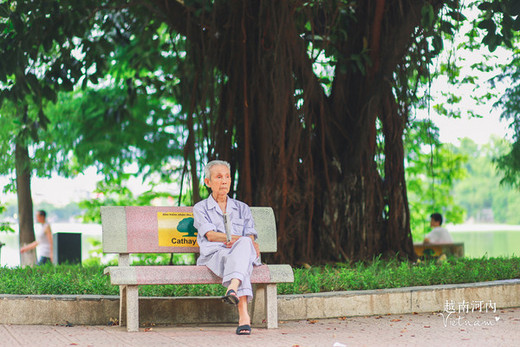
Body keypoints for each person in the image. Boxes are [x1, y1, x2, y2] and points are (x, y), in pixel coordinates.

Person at [193, 160, 261, 335]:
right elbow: (210, 235)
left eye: (227, 176)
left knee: (243, 249)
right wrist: (239, 240)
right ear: (208, 182)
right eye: (218, 177)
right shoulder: (201, 208)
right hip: (216, 254)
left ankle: (234, 288)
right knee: (243, 252)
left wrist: (245, 242)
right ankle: (242, 314)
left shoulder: (242, 208)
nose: (224, 181)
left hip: (240, 253)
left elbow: (251, 235)